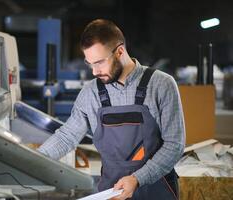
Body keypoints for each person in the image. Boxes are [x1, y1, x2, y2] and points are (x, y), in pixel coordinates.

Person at [38, 19, 185, 200]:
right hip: (112, 192)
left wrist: (137, 179)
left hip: (156, 189)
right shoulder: (91, 92)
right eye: (89, 63)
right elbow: (67, 136)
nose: (94, 71)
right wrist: (32, 161)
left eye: (99, 62)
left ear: (120, 51)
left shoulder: (161, 84)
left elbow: (175, 145)